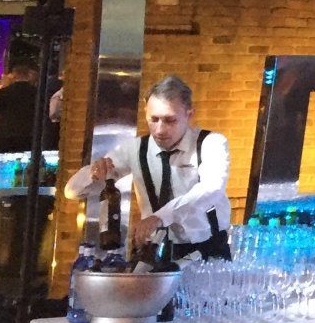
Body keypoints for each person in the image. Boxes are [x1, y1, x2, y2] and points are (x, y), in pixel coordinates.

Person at [63, 74, 233, 261]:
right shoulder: (135, 149)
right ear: (145, 112)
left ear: (189, 114)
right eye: (154, 119)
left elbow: (211, 189)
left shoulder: (212, 143)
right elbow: (72, 192)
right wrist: (92, 173)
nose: (160, 130)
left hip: (206, 250)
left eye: (170, 120)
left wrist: (160, 217)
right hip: (152, 251)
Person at [0, 54, 41, 148]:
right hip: (30, 132)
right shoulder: (37, 92)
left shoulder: (4, 92)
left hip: (7, 131)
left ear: (14, 74)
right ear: (28, 74)